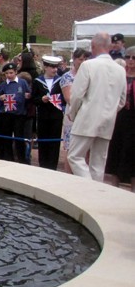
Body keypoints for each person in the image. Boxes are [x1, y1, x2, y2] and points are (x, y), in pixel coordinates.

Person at [67, 32, 128, 181]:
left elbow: (77, 95)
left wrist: (73, 114)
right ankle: (95, 192)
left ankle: (90, 187)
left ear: (93, 46)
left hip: (86, 118)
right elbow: (122, 100)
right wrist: (110, 112)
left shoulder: (88, 65)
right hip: (108, 120)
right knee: (99, 163)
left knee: (74, 156)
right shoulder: (120, 70)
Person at [104, 45, 135, 188]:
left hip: (133, 120)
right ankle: (114, 187)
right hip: (118, 118)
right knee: (115, 151)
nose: (130, 60)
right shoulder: (120, 75)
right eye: (128, 57)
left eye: (134, 58)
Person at [32, 55, 65, 170]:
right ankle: (43, 165)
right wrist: (41, 99)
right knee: (43, 142)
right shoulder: (38, 81)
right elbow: (33, 99)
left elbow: (64, 98)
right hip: (43, 116)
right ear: (45, 67)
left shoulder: (60, 81)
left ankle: (52, 166)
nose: (54, 69)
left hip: (56, 116)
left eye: (56, 67)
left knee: (54, 143)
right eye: (51, 67)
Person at [0, 62, 31, 163]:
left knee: (19, 137)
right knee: (7, 138)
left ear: (15, 72)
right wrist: (1, 98)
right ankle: (8, 158)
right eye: (6, 73)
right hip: (6, 114)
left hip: (19, 114)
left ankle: (22, 159)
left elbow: (28, 95)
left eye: (11, 73)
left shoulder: (22, 83)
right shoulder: (3, 85)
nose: (9, 75)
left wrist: (27, 96)